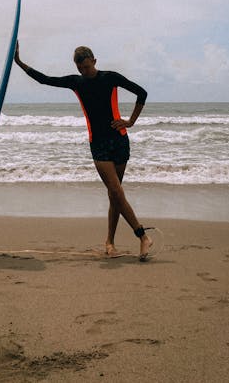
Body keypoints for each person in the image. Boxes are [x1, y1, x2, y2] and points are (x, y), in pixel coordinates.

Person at [14, 42, 152, 261]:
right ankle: (142, 236)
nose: (84, 72)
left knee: (114, 195)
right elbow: (44, 79)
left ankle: (109, 242)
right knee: (116, 192)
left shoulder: (110, 77)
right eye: (80, 69)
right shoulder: (75, 82)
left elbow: (142, 93)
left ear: (94, 61)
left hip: (119, 140)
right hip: (98, 143)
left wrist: (130, 121)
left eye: (87, 67)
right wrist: (19, 63)